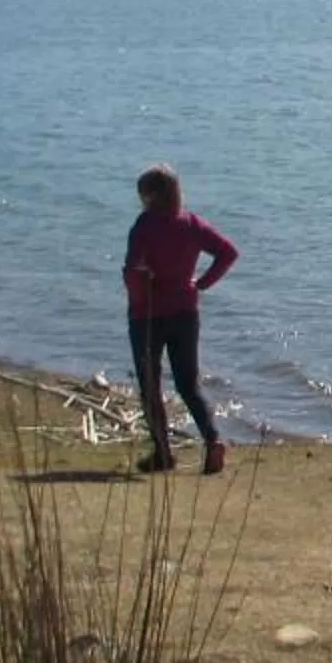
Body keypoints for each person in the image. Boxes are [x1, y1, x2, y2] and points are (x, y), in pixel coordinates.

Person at [124, 163, 239, 475]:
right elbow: (228, 253)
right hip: (186, 312)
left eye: (143, 194)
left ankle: (162, 452)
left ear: (151, 195)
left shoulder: (145, 225)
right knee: (188, 383)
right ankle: (212, 438)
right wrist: (200, 283)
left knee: (150, 384)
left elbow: (132, 269)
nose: (140, 200)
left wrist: (139, 298)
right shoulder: (191, 224)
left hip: (148, 315)